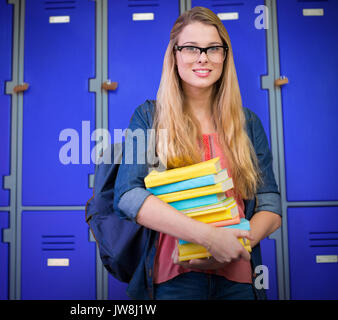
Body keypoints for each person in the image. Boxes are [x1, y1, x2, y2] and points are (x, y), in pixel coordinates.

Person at [113, 7, 282, 300]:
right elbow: (128, 195)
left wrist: (235, 245)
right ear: (175, 55)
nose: (202, 57)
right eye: (191, 48)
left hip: (238, 277)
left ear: (224, 56)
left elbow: (271, 203)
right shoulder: (149, 117)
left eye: (213, 48)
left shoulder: (248, 122)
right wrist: (208, 238)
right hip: (174, 279)